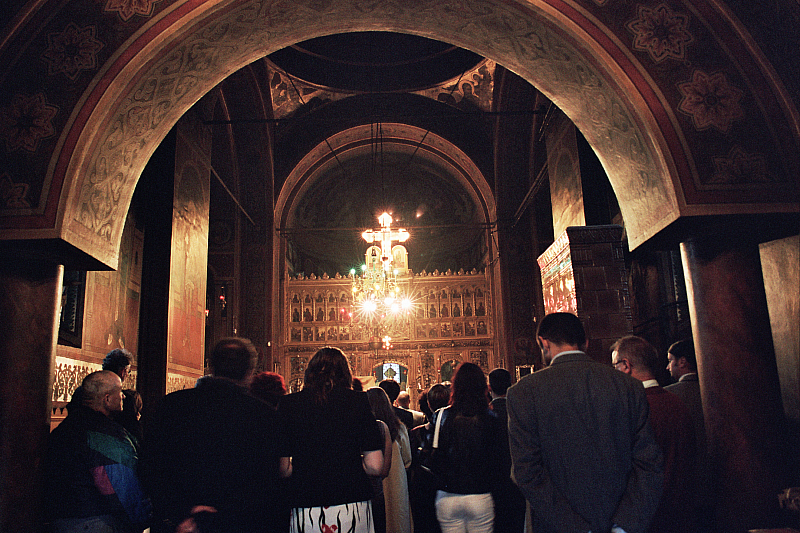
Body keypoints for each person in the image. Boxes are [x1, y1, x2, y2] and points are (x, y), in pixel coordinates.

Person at [506, 312, 663, 533]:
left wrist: (575, 528)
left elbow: (526, 473)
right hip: (620, 524)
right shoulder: (628, 387)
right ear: (585, 343)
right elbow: (649, 464)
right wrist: (624, 525)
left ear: (543, 342)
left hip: (558, 527)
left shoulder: (523, 392)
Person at [142, 337, 283, 533]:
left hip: (177, 523)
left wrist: (183, 512)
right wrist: (219, 517)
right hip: (239, 525)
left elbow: (150, 466)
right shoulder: (264, 415)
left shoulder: (172, 405)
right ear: (250, 372)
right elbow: (266, 484)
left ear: (211, 366)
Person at [277, 347, 392, 533]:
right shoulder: (359, 402)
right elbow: (375, 466)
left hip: (306, 502)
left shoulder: (289, 404)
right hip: (352, 502)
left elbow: (283, 469)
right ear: (345, 373)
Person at [43, 370, 151, 533]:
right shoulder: (104, 436)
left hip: (58, 520)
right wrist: (143, 519)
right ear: (107, 399)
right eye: (120, 391)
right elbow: (123, 492)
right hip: (94, 522)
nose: (123, 396)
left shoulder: (65, 428)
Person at [611, 335, 697, 533]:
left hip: (649, 520)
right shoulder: (677, 403)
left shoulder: (634, 409)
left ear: (626, 365)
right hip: (682, 516)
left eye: (614, 366)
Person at [429, 362, 503, 533]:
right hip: (480, 495)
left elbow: (432, 453)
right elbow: (498, 461)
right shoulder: (491, 419)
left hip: (447, 495)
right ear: (483, 387)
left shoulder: (442, 416)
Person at [664, 339, 714, 530]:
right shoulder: (720, 391)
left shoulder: (669, 396)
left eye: (670, 360)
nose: (668, 367)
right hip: (722, 483)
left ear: (682, 362)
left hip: (685, 486)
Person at [367, 387, 413, 533]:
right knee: (395, 520)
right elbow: (407, 459)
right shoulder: (398, 428)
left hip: (371, 483)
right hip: (395, 482)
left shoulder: (363, 429)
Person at [488, 368, 526, 533]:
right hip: (519, 480)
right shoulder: (520, 411)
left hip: (494, 482)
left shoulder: (487, 414)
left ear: (489, 388)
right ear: (511, 384)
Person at [408, 384, 450, 533]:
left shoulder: (416, 433)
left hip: (423, 491)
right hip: (448, 488)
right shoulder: (458, 429)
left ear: (429, 404)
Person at [102, 348, 145, 444]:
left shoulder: (86, 389)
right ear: (123, 371)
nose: (127, 375)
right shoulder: (128, 398)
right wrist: (136, 421)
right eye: (128, 371)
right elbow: (135, 435)